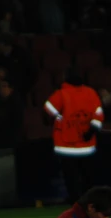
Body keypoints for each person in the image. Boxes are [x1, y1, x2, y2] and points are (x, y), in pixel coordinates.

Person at [44, 68, 104, 204]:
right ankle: (89, 204)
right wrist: (92, 130)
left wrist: (60, 117)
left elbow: (48, 108)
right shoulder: (90, 93)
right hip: (87, 145)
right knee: (88, 178)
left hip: (66, 145)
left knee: (71, 179)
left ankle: (75, 204)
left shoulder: (62, 94)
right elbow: (98, 114)